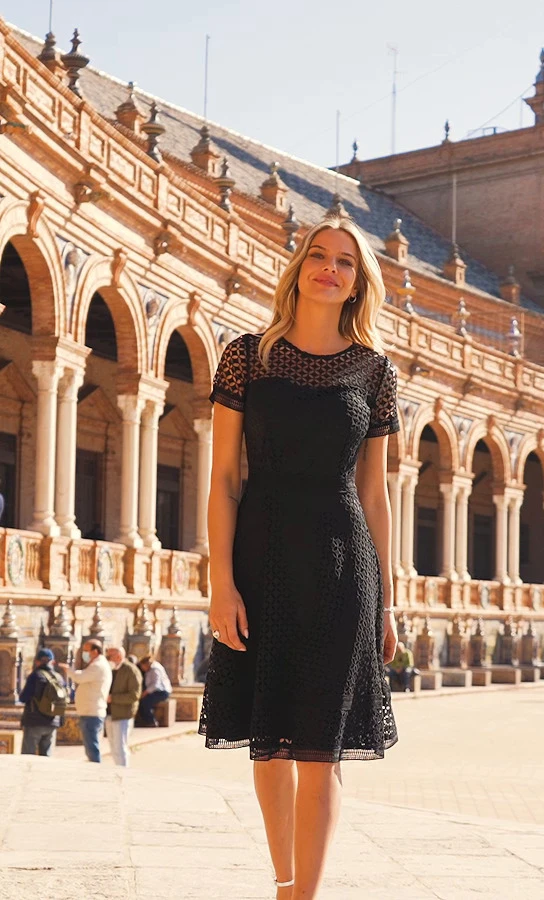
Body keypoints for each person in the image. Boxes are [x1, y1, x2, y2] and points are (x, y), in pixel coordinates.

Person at [199, 214, 399, 898]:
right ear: (299, 268)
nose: (329, 269)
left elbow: (374, 495)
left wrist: (388, 603)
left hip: (345, 568)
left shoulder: (374, 371)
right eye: (318, 255)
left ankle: (301, 896)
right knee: (269, 739)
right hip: (261, 560)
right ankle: (284, 880)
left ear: (358, 283)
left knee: (321, 746)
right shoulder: (246, 356)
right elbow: (225, 479)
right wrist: (221, 583)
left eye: (345, 262)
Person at [58, 639, 111, 763]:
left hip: (92, 711)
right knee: (90, 746)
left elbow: (80, 677)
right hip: (89, 710)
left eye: (86, 651)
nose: (84, 654)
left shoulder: (98, 666)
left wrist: (68, 670)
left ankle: (96, 770)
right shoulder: (97, 664)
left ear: (95, 651)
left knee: (92, 747)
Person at [19, 648, 66, 756]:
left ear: (37, 661)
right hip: (53, 721)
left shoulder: (35, 676)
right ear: (52, 662)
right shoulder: (59, 677)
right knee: (46, 757)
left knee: (28, 756)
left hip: (34, 721)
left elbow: (24, 698)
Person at [105, 646, 143, 766]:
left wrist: (113, 698)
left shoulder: (130, 671)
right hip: (110, 713)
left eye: (109, 656)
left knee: (120, 746)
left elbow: (134, 695)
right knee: (113, 746)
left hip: (123, 714)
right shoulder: (112, 670)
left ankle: (123, 772)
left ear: (118, 656)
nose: (107, 658)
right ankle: (117, 770)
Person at [138, 655, 172, 726]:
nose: (142, 668)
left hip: (162, 691)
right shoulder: (149, 669)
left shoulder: (155, 669)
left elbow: (155, 684)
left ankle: (151, 721)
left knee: (145, 702)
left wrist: (145, 693)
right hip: (155, 691)